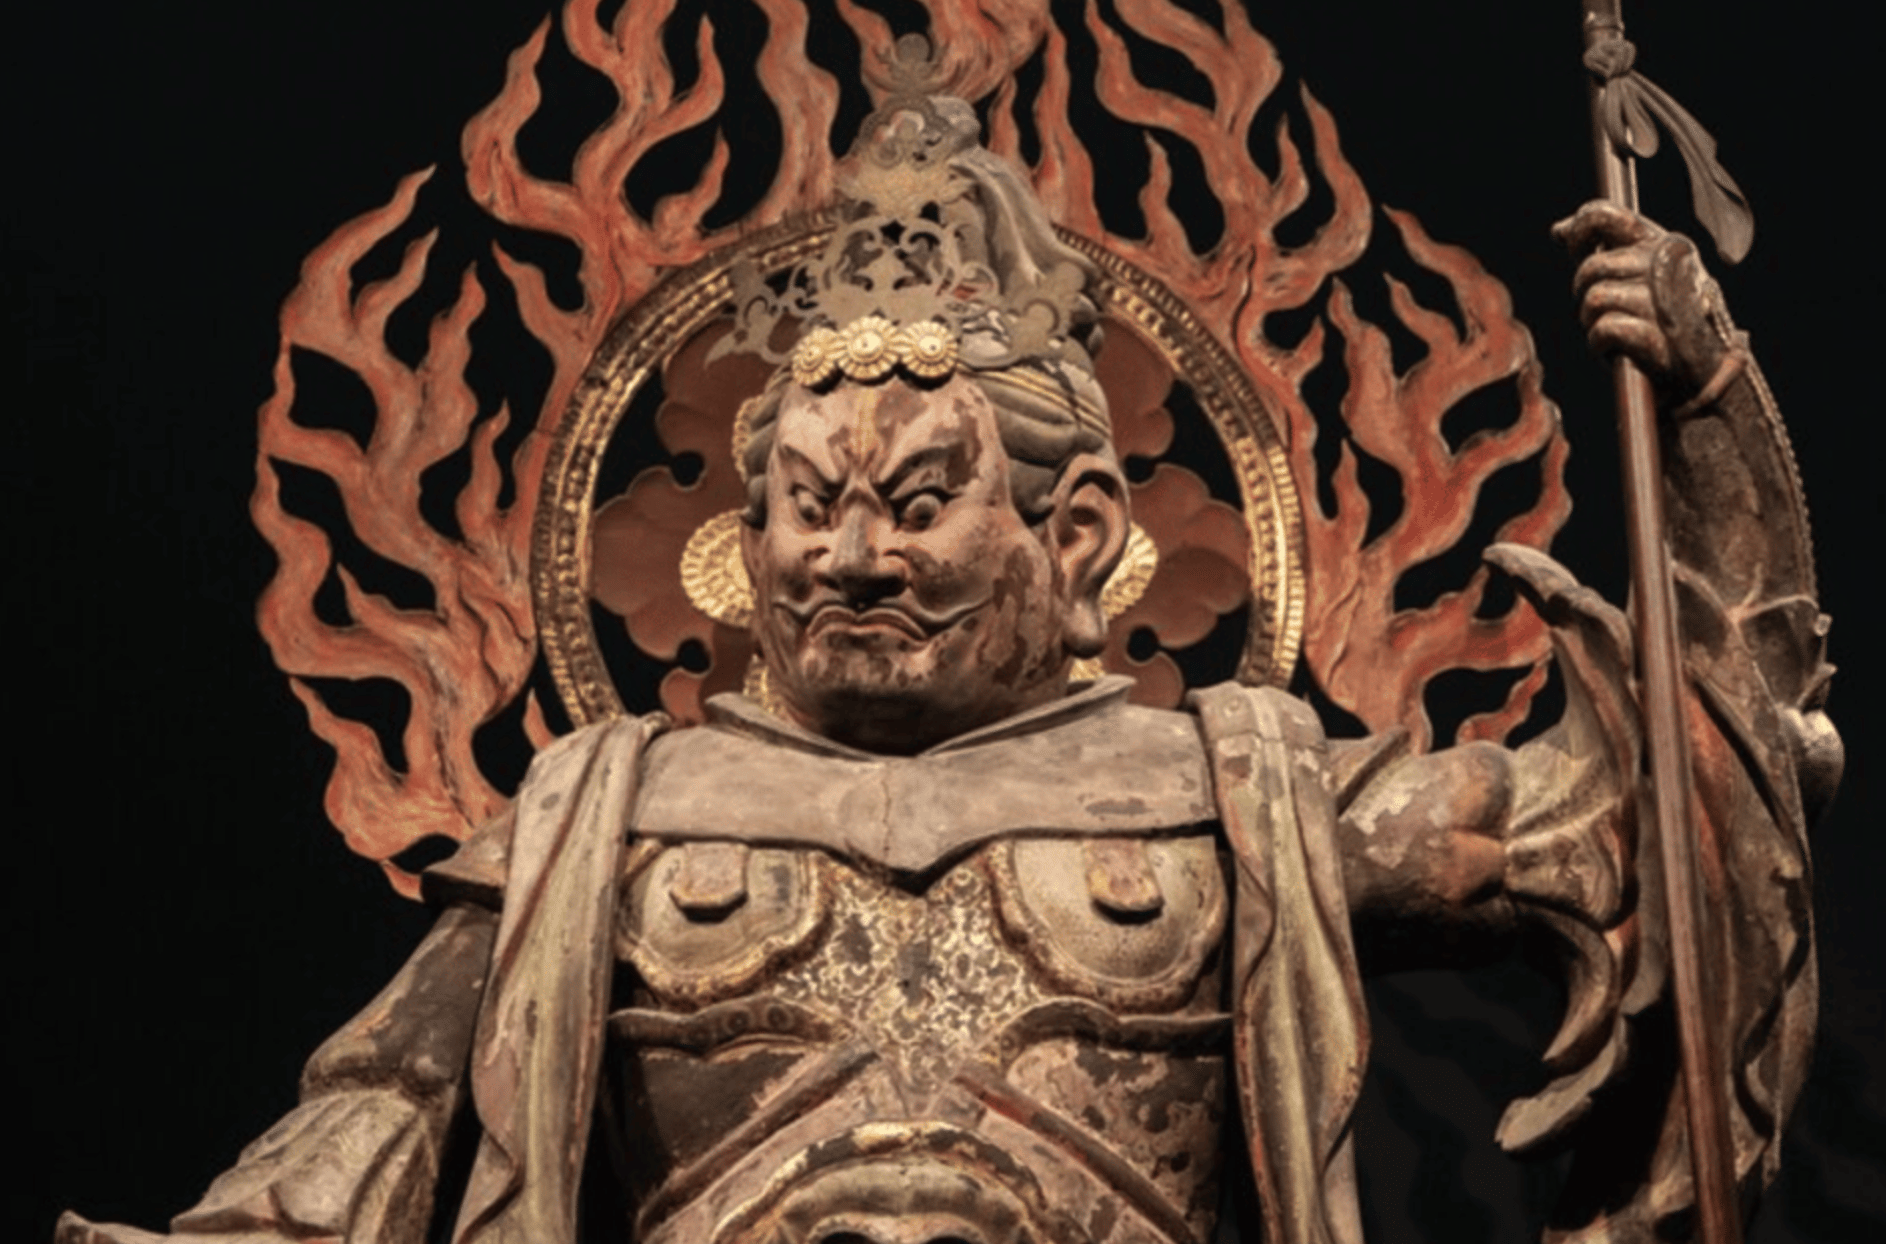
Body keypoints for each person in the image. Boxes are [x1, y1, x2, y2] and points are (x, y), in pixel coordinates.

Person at [58, 88, 1837, 1244]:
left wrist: (1706, 412)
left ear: (1078, 537)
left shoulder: (1237, 790)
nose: (852, 558)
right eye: (809, 507)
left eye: (917, 503)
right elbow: (377, 1111)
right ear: (743, 540)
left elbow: (1666, 811)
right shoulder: (612, 813)